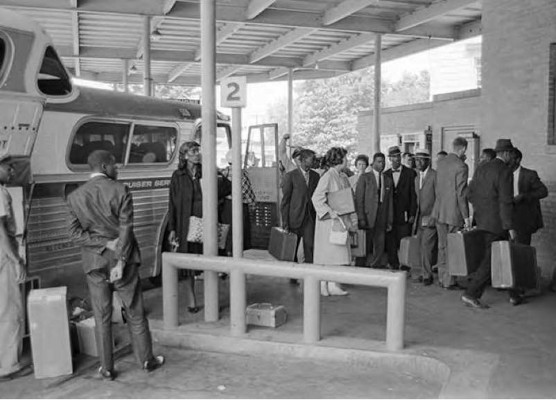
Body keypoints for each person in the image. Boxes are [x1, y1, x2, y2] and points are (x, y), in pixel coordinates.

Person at [67, 150, 164, 380]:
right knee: (135, 313)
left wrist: (102, 244)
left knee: (101, 316)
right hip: (124, 263)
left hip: (94, 264)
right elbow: (126, 229)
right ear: (104, 166)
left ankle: (107, 368)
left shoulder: (75, 197)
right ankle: (147, 361)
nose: (117, 169)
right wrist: (119, 258)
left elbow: (74, 234)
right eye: (114, 165)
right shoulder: (121, 190)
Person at [167, 142, 231, 313]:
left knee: (211, 261)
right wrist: (172, 228)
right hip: (186, 224)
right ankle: (192, 300)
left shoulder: (208, 171)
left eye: (198, 151)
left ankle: (212, 299)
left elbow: (227, 188)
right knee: (189, 265)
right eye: (193, 151)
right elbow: (172, 203)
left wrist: (217, 172)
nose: (197, 154)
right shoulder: (177, 176)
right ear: (185, 155)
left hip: (208, 222)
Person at [463, 139, 519, 308]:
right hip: (498, 223)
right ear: (507, 153)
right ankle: (471, 293)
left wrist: (480, 209)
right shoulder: (505, 171)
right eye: (511, 154)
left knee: (502, 256)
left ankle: (514, 294)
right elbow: (505, 201)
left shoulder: (482, 168)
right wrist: (509, 226)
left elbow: (469, 193)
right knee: (493, 259)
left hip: (482, 220)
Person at [312, 147, 358, 296]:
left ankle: (333, 284)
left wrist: (350, 219)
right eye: (345, 157)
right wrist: (331, 213)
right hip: (329, 222)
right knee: (328, 254)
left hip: (340, 220)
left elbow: (348, 198)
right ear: (338, 159)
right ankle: (323, 285)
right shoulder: (328, 176)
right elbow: (316, 198)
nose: (347, 160)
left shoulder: (343, 176)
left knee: (337, 254)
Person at [0, 157, 28, 381]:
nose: (12, 171)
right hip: (3, 259)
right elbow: (0, 232)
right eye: (8, 167)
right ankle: (8, 366)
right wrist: (16, 259)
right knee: (10, 312)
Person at [432, 137, 470, 289]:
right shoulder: (462, 166)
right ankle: (449, 281)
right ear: (463, 149)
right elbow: (461, 193)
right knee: (452, 247)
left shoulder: (440, 163)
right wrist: (466, 216)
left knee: (442, 246)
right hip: (453, 212)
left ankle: (442, 278)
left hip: (439, 210)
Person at [281, 148, 319, 274]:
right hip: (294, 219)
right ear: (302, 160)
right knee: (293, 249)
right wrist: (285, 223)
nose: (314, 162)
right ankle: (293, 274)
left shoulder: (315, 176)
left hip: (309, 218)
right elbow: (285, 201)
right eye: (311, 159)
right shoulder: (290, 176)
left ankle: (310, 274)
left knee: (310, 246)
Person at [355, 152, 394, 268]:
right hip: (368, 215)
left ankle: (376, 264)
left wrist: (389, 220)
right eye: (379, 162)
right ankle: (360, 267)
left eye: (383, 162)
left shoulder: (388, 180)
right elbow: (359, 199)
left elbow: (390, 202)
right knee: (364, 243)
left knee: (380, 242)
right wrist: (361, 217)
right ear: (373, 163)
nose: (381, 164)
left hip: (382, 214)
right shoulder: (365, 178)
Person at [383, 146, 417, 270]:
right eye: (392, 157)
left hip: (405, 212)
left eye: (397, 156)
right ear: (390, 159)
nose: (395, 159)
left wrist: (412, 213)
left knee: (404, 238)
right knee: (391, 239)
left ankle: (405, 264)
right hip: (390, 213)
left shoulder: (410, 173)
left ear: (400, 157)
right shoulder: (385, 174)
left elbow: (413, 195)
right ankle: (393, 263)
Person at [220, 149, 256, 255]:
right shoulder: (241, 175)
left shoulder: (223, 172)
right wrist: (253, 206)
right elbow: (249, 196)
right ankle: (237, 256)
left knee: (227, 232)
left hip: (225, 207)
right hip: (240, 207)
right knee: (240, 233)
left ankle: (227, 253)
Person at [509, 148, 548, 246]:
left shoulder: (529, 174)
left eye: (511, 158)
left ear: (518, 160)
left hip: (522, 219)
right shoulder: (502, 174)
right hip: (505, 217)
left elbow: (543, 191)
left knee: (521, 249)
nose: (508, 161)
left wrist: (524, 196)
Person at [413, 149, 437, 286]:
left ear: (428, 160)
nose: (418, 162)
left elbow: (439, 198)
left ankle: (427, 275)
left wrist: (433, 216)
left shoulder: (435, 176)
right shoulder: (417, 178)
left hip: (431, 217)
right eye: (416, 159)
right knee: (421, 246)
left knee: (427, 247)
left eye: (421, 159)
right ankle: (424, 272)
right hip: (419, 218)